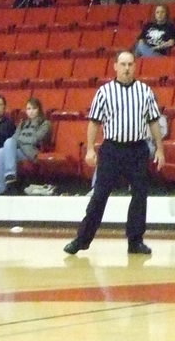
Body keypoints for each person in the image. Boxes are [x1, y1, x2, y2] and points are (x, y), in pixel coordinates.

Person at [64, 51, 166, 255]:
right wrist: (90, 149)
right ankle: (81, 239)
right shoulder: (104, 92)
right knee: (99, 196)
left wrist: (160, 150)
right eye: (123, 64)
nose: (127, 68)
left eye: (130, 64)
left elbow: (154, 121)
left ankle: (135, 241)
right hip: (112, 149)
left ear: (135, 66)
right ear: (115, 66)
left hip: (137, 149)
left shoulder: (145, 91)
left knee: (140, 195)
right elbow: (94, 122)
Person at [0, 97, 52, 195]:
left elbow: (35, 139)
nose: (31, 112)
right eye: (28, 109)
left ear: (39, 109)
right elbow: (14, 138)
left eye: (34, 108)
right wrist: (20, 141)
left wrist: (20, 141)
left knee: (9, 143)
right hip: (21, 151)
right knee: (1, 151)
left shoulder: (45, 123)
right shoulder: (23, 123)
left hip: (33, 152)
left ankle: (10, 176)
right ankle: (0, 188)